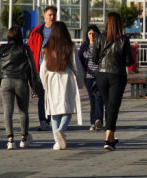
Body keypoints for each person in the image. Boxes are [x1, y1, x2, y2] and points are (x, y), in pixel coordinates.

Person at [0, 27, 39, 150]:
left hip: (5, 81)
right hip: (21, 81)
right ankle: (24, 138)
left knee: (7, 111)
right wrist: (34, 87)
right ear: (20, 36)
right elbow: (32, 68)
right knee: (23, 111)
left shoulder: (2, 49)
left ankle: (10, 140)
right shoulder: (25, 49)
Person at [93, 12, 135, 151]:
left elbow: (94, 59)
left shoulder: (99, 38)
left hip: (102, 74)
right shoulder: (124, 39)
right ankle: (108, 139)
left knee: (108, 105)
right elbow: (129, 61)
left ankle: (111, 137)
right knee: (113, 106)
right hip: (117, 75)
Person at [39, 21, 84, 150]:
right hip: (67, 78)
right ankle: (61, 130)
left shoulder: (47, 48)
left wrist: (44, 83)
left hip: (52, 80)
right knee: (67, 109)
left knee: (54, 112)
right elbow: (77, 66)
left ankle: (57, 141)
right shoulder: (70, 46)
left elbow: (43, 69)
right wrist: (80, 82)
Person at [27, 5, 56, 131]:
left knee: (53, 96)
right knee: (42, 96)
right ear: (44, 16)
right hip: (40, 69)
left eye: (54, 15)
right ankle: (43, 120)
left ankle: (52, 119)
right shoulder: (37, 31)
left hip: (55, 69)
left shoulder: (58, 30)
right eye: (49, 15)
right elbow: (30, 48)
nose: (52, 17)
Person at [78, 25, 104, 131]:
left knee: (99, 97)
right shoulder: (85, 46)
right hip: (89, 77)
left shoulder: (101, 45)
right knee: (92, 99)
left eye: (94, 34)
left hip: (99, 75)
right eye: (90, 34)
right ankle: (93, 122)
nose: (92, 36)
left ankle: (99, 120)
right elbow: (79, 59)